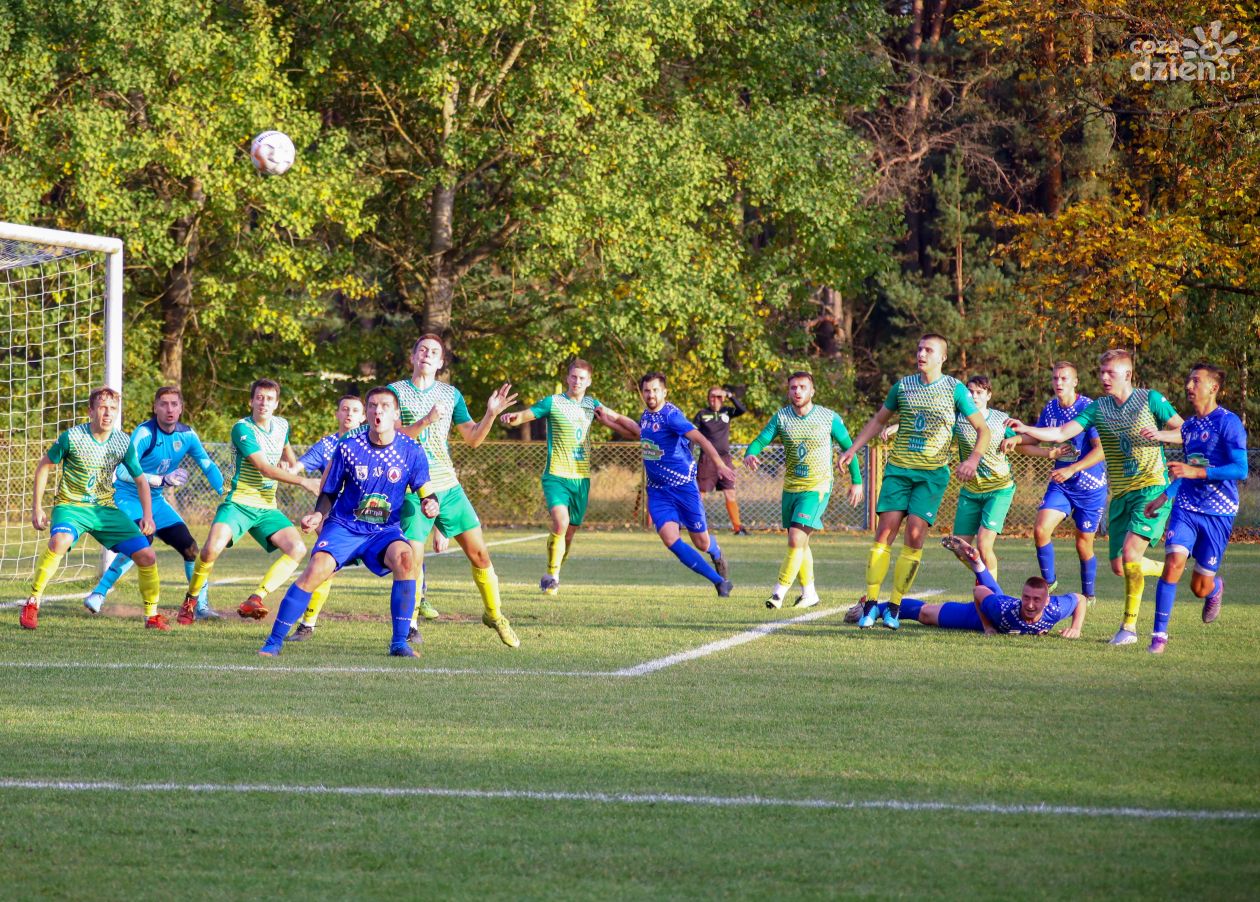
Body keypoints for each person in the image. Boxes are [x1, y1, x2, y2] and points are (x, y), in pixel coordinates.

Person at [1008, 349, 1183, 646]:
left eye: (1110, 372)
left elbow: (1185, 431)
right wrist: (1025, 428)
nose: (1104, 378)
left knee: (1131, 557)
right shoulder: (1098, 408)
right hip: (1122, 494)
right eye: (1101, 372)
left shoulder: (1150, 399)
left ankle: (1128, 628)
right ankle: (1172, 569)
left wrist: (1161, 435)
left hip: (1152, 488)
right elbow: (1062, 432)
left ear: (1127, 374)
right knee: (1119, 566)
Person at [258, 387, 439, 657]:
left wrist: (430, 502)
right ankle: (274, 641)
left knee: (405, 558)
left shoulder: (411, 450)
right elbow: (329, 490)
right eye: (373, 405)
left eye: (385, 406)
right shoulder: (349, 446)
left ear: (396, 414)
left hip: (384, 531)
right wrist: (318, 515)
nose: (378, 411)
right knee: (316, 570)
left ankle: (400, 643)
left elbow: (424, 487)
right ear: (367, 413)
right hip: (344, 526)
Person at [838, 334, 990, 630]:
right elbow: (879, 420)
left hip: (931, 476)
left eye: (928, 350)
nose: (921, 353)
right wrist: (853, 449)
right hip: (898, 471)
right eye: (919, 348)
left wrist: (972, 460)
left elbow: (983, 430)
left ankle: (894, 607)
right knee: (884, 533)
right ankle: (870, 604)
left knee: (915, 536)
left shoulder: (955, 389)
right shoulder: (903, 386)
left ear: (942, 357)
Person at [388, 333, 520, 647]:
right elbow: (391, 437)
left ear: (441, 362)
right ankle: (410, 624)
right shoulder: (395, 392)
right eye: (422, 349)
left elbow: (473, 439)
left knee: (480, 554)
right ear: (413, 357)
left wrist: (491, 414)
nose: (427, 354)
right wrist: (425, 421)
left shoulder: (451, 395)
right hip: (413, 489)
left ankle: (495, 615)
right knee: (411, 560)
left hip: (448, 487)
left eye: (434, 352)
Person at [20, 387, 164, 630]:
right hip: (71, 506)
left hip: (104, 510)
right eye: (102, 407)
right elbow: (44, 466)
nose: (108, 413)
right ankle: (33, 602)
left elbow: (141, 480)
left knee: (147, 555)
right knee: (60, 541)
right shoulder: (72, 437)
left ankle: (152, 616)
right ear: (91, 411)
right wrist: (37, 508)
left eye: (113, 408)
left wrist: (148, 516)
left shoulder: (123, 441)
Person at [83, 386, 226, 622]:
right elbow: (122, 471)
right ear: (155, 408)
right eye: (164, 404)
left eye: (174, 404)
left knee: (191, 549)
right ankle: (99, 593)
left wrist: (225, 492)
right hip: (128, 498)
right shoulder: (144, 433)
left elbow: (207, 465)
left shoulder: (188, 435)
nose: (169, 409)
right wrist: (161, 479)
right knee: (142, 542)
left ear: (181, 408)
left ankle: (200, 606)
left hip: (157, 502)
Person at [182, 379, 322, 620]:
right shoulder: (242, 428)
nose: (264, 403)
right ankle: (190, 600)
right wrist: (304, 481)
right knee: (210, 550)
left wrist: (289, 465)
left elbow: (287, 452)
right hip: (239, 502)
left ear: (276, 404)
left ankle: (256, 598)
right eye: (259, 397)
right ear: (251, 401)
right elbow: (264, 468)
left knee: (297, 549)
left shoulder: (282, 425)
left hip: (267, 507)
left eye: (269, 399)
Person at [597, 373, 735, 596]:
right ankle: (719, 582)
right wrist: (608, 421)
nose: (650, 394)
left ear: (664, 392)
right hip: (658, 491)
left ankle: (716, 552)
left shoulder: (672, 416)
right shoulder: (647, 416)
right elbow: (638, 433)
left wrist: (719, 464)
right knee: (670, 539)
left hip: (684, 489)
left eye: (655, 390)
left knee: (701, 543)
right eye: (646, 390)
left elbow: (700, 439)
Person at [1143, 363, 1248, 654]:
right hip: (1187, 507)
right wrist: (1165, 496)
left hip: (1219, 512)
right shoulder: (1188, 427)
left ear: (1213, 387)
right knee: (1173, 563)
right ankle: (1159, 637)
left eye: (1196, 381)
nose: (1189, 386)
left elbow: (1240, 469)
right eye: (1189, 381)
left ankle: (1214, 589)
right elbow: (1187, 471)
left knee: (1199, 587)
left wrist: (1196, 472)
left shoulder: (1228, 422)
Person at [499, 358, 627, 595]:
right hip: (556, 475)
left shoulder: (592, 404)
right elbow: (527, 414)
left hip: (581, 479)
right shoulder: (554, 402)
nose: (577, 381)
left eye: (582, 378)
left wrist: (642, 430)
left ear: (589, 381)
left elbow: (618, 419)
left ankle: (555, 570)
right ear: (567, 378)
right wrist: (512, 417)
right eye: (573, 377)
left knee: (569, 534)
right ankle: (552, 577)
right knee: (561, 521)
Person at [742, 371, 863, 609]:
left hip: (817, 487)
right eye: (793, 387)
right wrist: (750, 453)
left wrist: (856, 480)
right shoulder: (782, 417)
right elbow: (760, 441)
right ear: (788, 391)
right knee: (801, 542)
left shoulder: (828, 418)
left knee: (796, 538)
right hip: (791, 488)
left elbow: (849, 449)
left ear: (812, 391)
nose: (797, 391)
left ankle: (778, 593)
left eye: (802, 387)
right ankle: (809, 594)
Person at [1014, 362, 1108, 604]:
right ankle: (1049, 583)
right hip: (1062, 485)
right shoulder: (1051, 408)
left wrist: (1073, 468)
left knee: (1083, 544)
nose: (1059, 382)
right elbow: (1035, 437)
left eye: (1064, 378)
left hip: (1090, 487)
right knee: (1040, 529)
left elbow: (1101, 450)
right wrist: (1015, 439)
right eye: (1055, 378)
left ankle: (1088, 594)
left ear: (1075, 382)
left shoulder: (1088, 408)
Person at [881, 535, 1087, 637]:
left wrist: (1076, 628)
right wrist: (987, 626)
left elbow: (1080, 599)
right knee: (926, 614)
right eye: (1026, 598)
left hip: (997, 600)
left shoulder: (1055, 609)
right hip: (984, 616)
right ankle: (876, 608)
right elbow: (979, 591)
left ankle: (977, 563)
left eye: (1036, 600)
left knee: (995, 595)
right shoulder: (1004, 610)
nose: (1030, 604)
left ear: (1047, 601)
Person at [282, 394, 366, 640]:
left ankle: (413, 616)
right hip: (331, 516)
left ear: (363, 417)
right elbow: (298, 467)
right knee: (324, 567)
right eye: (345, 409)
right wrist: (286, 469)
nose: (349, 414)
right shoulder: (327, 445)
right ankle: (307, 623)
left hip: (366, 516)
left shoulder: (371, 443)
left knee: (404, 558)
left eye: (355, 410)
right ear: (337, 414)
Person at [693, 386, 748, 535]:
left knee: (730, 492)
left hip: (725, 459)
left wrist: (730, 395)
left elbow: (742, 409)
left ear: (723, 399)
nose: (715, 400)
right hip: (707, 460)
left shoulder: (727, 412)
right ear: (708, 398)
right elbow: (692, 434)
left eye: (719, 397)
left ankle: (738, 528)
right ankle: (694, 524)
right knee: (700, 494)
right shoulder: (702, 414)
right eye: (712, 396)